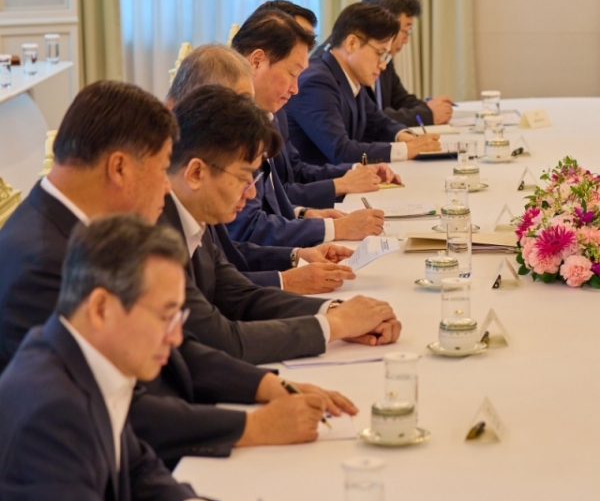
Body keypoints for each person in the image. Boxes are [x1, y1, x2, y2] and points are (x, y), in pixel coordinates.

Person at [0, 81, 344, 463]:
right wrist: (253, 428)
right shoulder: (43, 260)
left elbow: (175, 348)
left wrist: (267, 385)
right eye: (163, 167)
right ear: (119, 168)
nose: (169, 185)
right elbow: (113, 406)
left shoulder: (91, 225)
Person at [0, 216, 299, 501]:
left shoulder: (72, 355)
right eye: (164, 316)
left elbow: (135, 462)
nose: (176, 336)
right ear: (101, 307)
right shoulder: (50, 404)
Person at [163, 84, 401, 364]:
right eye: (244, 178)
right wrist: (335, 327)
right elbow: (219, 338)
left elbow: (240, 295)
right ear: (196, 173)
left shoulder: (195, 213)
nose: (251, 193)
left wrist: (332, 310)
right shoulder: (155, 235)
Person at [166, 43, 356, 295]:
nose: (247, 114)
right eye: (240, 103)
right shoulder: (167, 186)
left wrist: (295, 256)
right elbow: (212, 304)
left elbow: (224, 259)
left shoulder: (215, 151)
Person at [227, 9, 394, 248]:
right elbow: (247, 228)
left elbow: (284, 184)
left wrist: (303, 214)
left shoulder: (272, 111)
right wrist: (334, 227)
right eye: (292, 73)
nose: (296, 89)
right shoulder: (232, 124)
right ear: (256, 61)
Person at [247, 0, 400, 210]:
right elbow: (266, 205)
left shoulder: (276, 108)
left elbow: (296, 171)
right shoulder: (314, 81)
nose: (295, 88)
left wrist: (357, 170)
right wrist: (340, 185)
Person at [286, 2, 443, 165]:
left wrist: (408, 139)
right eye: (380, 54)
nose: (383, 65)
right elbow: (341, 152)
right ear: (352, 43)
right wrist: (407, 150)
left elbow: (378, 122)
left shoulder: (349, 78)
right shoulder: (316, 82)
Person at [359, 0, 453, 127]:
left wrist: (433, 108)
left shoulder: (384, 57)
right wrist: (427, 115)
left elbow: (400, 100)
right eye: (406, 30)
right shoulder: (353, 58)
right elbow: (367, 119)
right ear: (385, 21)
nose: (406, 40)